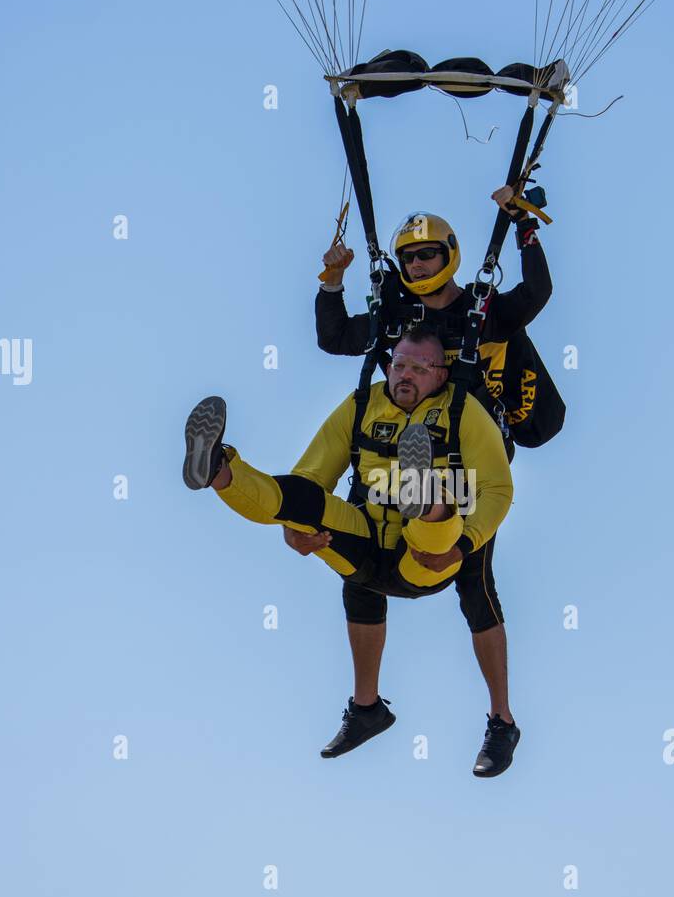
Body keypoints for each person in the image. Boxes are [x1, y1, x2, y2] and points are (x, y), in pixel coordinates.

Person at [182, 327, 518, 776]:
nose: (406, 375)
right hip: (365, 546)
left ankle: (428, 498)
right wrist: (294, 532)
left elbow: (497, 488)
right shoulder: (362, 404)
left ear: (442, 374)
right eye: (399, 364)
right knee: (301, 501)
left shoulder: (463, 411)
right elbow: (310, 475)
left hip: (424, 559)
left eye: (420, 368)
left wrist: (463, 546)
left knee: (436, 512)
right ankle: (220, 469)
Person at [295, 189, 550, 773]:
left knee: (474, 587)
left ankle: (502, 722)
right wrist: (332, 280)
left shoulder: (480, 312)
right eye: (409, 258)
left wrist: (524, 229)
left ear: (451, 256)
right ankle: (367, 708)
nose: (416, 267)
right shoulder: (395, 318)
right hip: (387, 450)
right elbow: (334, 338)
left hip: (459, 460)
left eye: (427, 256)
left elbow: (536, 294)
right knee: (358, 568)